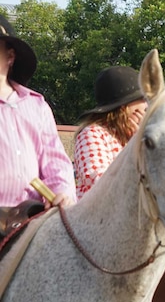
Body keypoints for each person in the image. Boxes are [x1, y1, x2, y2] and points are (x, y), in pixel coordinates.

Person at [0, 13, 75, 208]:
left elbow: (54, 159)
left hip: (31, 216)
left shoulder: (36, 105)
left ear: (10, 56)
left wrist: (62, 192)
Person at [74, 65, 147, 199]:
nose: (145, 106)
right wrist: (134, 145)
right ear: (122, 108)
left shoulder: (137, 136)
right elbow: (100, 182)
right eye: (140, 100)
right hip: (95, 215)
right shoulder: (92, 134)